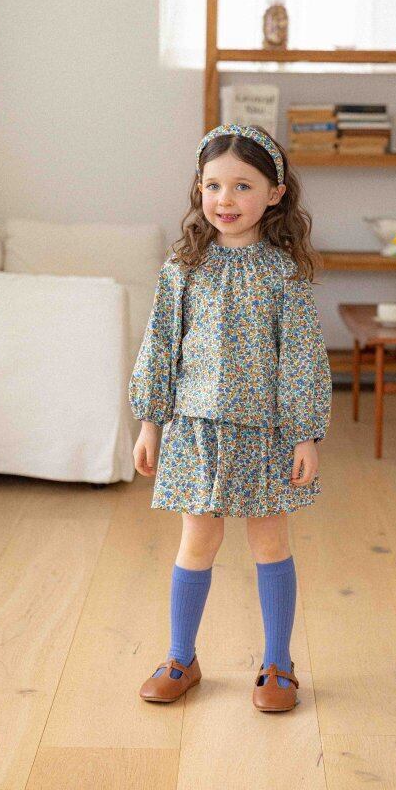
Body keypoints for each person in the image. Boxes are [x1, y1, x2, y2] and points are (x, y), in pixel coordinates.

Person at [129, 123, 332, 712]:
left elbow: (301, 357)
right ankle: (181, 657)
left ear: (274, 193)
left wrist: (305, 435)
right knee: (197, 538)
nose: (225, 199)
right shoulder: (183, 267)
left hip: (265, 432)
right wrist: (150, 423)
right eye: (214, 185)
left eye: (243, 186)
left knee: (269, 539)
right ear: (200, 189)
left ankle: (278, 664)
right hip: (195, 431)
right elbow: (160, 345)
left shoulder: (284, 274)